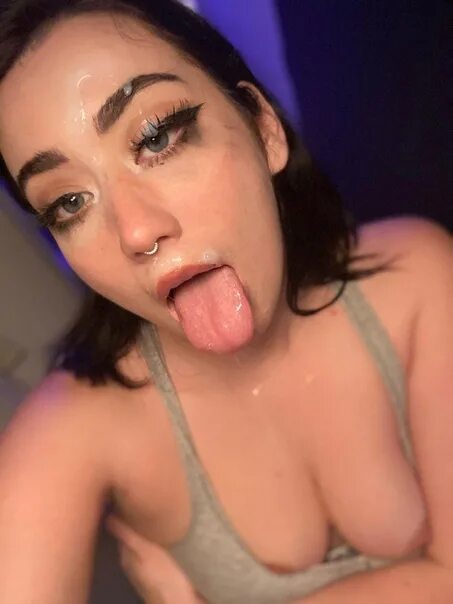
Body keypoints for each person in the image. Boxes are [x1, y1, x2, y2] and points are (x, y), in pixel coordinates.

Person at [0, 1, 452, 602]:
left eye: (156, 136)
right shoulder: (73, 428)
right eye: (69, 203)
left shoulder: (415, 275)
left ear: (264, 129)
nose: (136, 231)